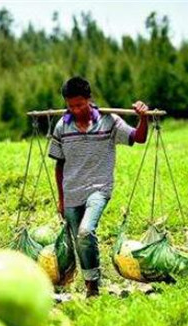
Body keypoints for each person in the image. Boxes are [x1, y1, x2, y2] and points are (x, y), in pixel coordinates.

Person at [48, 76, 149, 298]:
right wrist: (61, 198)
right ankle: (91, 287)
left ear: (89, 99)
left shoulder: (109, 121)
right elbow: (59, 164)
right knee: (79, 241)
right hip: (72, 190)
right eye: (70, 105)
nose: (75, 109)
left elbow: (138, 138)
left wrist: (144, 118)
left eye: (80, 104)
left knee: (85, 232)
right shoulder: (62, 126)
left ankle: (92, 287)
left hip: (99, 188)